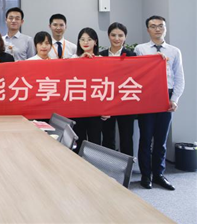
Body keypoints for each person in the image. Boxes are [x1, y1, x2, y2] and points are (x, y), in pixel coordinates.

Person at [135, 16, 184, 191]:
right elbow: (136, 73)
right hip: (147, 96)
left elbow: (179, 78)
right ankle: (145, 175)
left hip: (166, 96)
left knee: (161, 139)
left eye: (161, 26)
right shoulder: (140, 49)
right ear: (147, 29)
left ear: (165, 28)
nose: (157, 29)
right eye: (153, 26)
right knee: (146, 138)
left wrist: (174, 99)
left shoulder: (174, 51)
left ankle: (159, 174)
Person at [98, 22, 136, 157]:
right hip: (107, 101)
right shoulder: (100, 55)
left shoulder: (132, 55)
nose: (117, 38)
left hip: (126, 101)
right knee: (108, 136)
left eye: (120, 35)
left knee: (126, 137)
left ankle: (127, 167)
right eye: (113, 35)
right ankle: (108, 165)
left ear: (125, 37)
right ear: (108, 36)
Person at [71, 27, 102, 149]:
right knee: (78, 141)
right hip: (77, 107)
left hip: (95, 107)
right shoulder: (72, 59)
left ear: (95, 42)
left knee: (95, 142)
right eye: (82, 39)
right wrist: (80, 60)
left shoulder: (102, 60)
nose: (85, 42)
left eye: (89, 39)